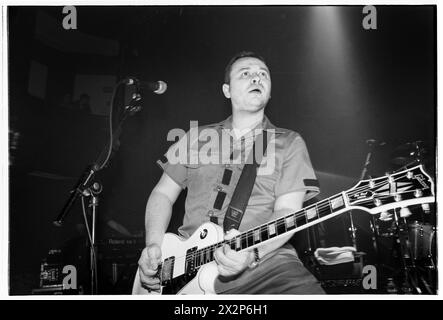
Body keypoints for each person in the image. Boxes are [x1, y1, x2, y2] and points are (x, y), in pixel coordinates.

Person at [136, 51, 325, 294]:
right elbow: (163, 193)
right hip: (184, 266)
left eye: (262, 74)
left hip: (266, 264)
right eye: (246, 74)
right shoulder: (195, 138)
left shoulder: (289, 142)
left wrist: (254, 252)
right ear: (227, 90)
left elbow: (288, 210)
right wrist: (153, 245)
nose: (256, 78)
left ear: (270, 90)